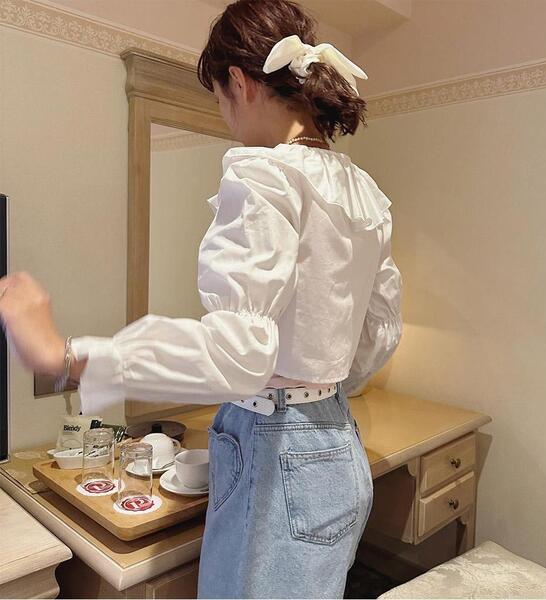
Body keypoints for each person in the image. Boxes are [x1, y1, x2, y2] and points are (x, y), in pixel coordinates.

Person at [0, 0, 403, 597]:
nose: (226, 119)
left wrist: (68, 357)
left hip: (276, 448)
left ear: (239, 82)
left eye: (219, 100)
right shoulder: (361, 190)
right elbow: (380, 332)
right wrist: (318, 386)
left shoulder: (264, 175)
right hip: (336, 442)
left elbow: (240, 353)